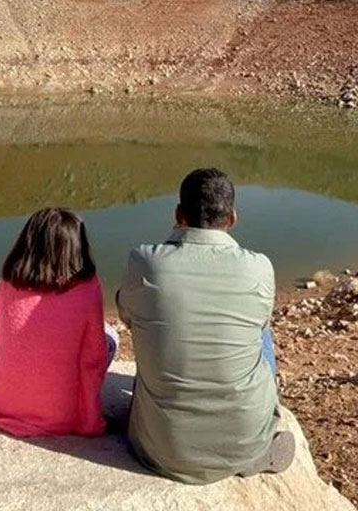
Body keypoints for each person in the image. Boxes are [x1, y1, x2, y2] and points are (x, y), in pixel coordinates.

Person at [117, 168, 293, 484]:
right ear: (233, 218)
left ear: (178, 214)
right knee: (260, 331)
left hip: (160, 450)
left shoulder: (146, 262)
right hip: (245, 443)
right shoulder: (259, 267)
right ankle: (256, 451)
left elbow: (126, 315)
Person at [0, 207, 118, 437]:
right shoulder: (88, 287)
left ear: (28, 242)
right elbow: (91, 362)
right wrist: (91, 422)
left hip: (1, 405)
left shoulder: (9, 282)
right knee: (111, 336)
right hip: (61, 417)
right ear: (78, 245)